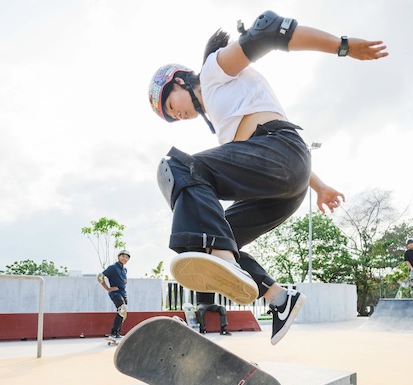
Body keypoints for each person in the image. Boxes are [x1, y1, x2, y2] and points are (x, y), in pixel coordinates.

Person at [148, 10, 387, 345]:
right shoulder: (223, 118)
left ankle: (225, 260)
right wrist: (319, 186)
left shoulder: (213, 71)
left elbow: (269, 31)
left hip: (282, 152)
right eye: (174, 117)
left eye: (172, 107)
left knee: (176, 167)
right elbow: (268, 162)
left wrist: (343, 46)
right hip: (285, 180)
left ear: (179, 80)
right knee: (209, 239)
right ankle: (278, 299)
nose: (179, 116)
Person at [98, 249, 130, 339]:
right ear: (119, 257)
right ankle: (113, 333)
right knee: (122, 309)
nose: (125, 259)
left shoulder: (125, 270)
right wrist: (108, 288)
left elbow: (125, 280)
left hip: (123, 292)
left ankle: (117, 333)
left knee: (123, 314)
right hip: (115, 293)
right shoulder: (112, 267)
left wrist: (123, 282)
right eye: (123, 256)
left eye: (127, 257)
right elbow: (100, 277)